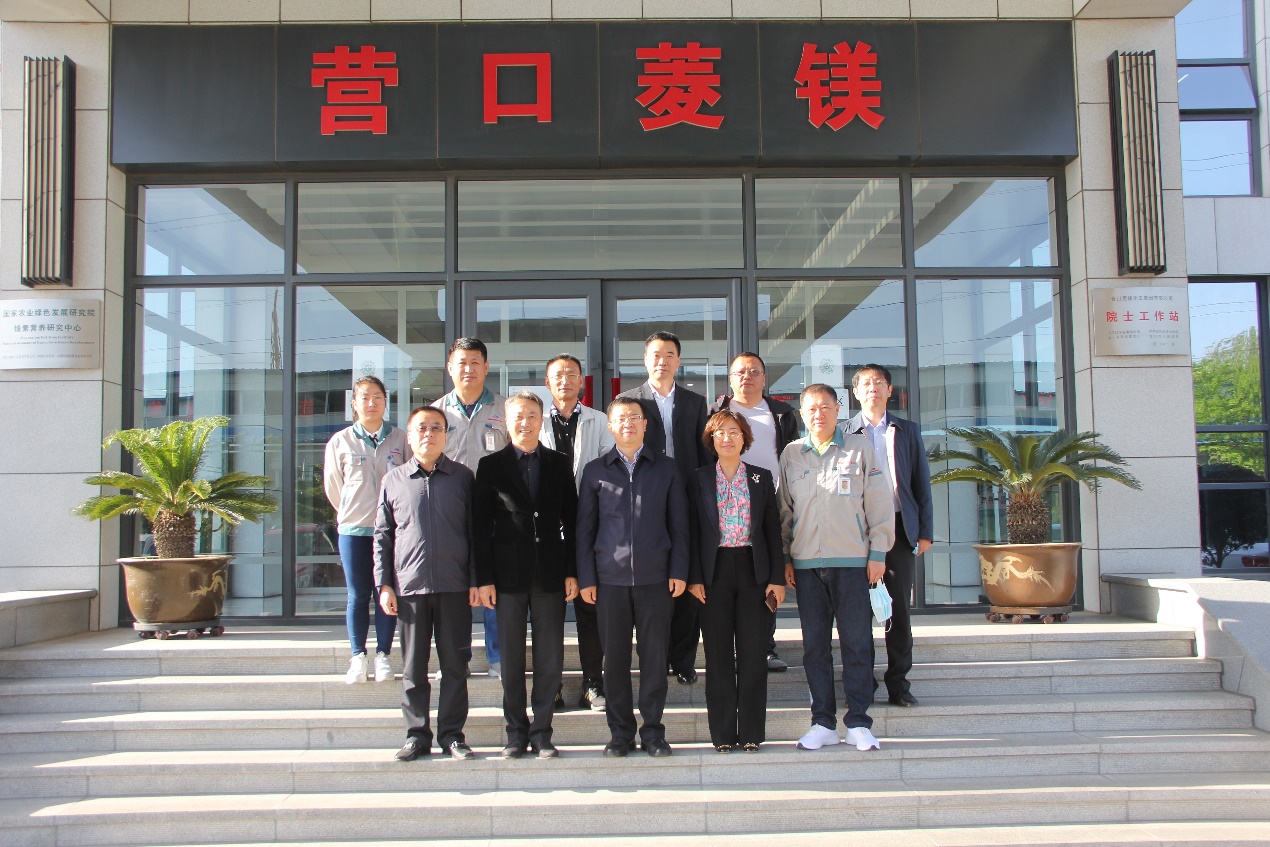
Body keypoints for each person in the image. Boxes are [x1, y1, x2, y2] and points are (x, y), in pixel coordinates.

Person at [779, 384, 894, 753]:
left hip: (853, 563)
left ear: (838, 409)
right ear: (802, 413)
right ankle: (823, 722)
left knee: (857, 644)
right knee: (814, 647)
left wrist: (878, 552)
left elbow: (879, 504)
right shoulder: (792, 453)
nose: (819, 414)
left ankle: (859, 722)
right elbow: (784, 511)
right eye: (812, 408)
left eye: (826, 407)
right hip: (807, 566)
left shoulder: (859, 448)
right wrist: (786, 558)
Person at [576, 397, 689, 758]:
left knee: (655, 660)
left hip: (656, 580)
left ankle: (653, 732)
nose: (628, 423)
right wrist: (587, 577)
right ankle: (620, 733)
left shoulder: (667, 469)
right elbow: (584, 530)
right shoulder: (595, 471)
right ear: (610, 426)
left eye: (634, 418)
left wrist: (679, 570)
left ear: (645, 424)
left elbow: (680, 526)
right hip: (609, 581)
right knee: (615, 662)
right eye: (620, 418)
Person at [474, 391, 578, 759]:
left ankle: (542, 732)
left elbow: (573, 521)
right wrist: (483, 579)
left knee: (550, 659)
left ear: (541, 419)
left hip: (550, 574)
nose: (525, 422)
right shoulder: (491, 466)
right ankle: (515, 733)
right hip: (507, 578)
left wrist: (572, 572)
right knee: (512, 660)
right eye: (518, 415)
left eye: (532, 415)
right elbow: (480, 528)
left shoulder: (558, 463)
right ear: (507, 421)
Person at [375, 406, 479, 762]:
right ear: (409, 436)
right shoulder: (393, 480)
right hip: (410, 587)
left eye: (436, 428)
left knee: (455, 667)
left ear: (445, 436)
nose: (429, 434)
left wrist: (476, 580)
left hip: (454, 586)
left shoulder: (463, 478)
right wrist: (384, 584)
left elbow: (476, 534)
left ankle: (452, 736)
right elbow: (382, 536)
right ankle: (417, 736)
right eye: (421, 428)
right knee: (413, 669)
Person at [686, 410, 785, 753]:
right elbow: (691, 532)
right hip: (712, 574)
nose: (727, 438)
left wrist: (776, 578)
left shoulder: (760, 477)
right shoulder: (698, 478)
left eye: (734, 432)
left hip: (753, 572)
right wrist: (694, 578)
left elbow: (772, 531)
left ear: (745, 438)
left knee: (753, 654)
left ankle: (752, 733)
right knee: (717, 656)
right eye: (720, 433)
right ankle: (723, 735)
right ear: (711, 440)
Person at [618, 331, 709, 685]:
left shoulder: (695, 402)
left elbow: (703, 453)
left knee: (687, 578)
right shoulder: (629, 400)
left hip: (686, 498)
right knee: (654, 584)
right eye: (656, 355)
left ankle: (683, 659)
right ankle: (654, 658)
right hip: (646, 499)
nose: (662, 361)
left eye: (669, 354)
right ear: (645, 360)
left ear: (678, 361)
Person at [844, 364, 933, 708]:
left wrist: (924, 531)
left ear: (890, 390)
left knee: (897, 611)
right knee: (857, 612)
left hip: (898, 528)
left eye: (879, 382)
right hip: (855, 530)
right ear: (855, 392)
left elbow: (921, 484)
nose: (873, 388)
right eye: (866, 383)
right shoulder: (843, 432)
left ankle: (899, 684)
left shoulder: (907, 430)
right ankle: (862, 683)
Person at [707, 352, 800, 673]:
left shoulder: (781, 413)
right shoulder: (716, 412)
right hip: (726, 504)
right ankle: (727, 649)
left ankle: (765, 648)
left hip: (770, 503)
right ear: (730, 379)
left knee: (766, 575)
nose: (747, 377)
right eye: (740, 372)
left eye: (754, 372)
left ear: (764, 378)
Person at [539, 353, 615, 711]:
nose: (565, 380)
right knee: (548, 613)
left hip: (588, 526)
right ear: (547, 382)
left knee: (589, 608)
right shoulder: (535, 421)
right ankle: (551, 685)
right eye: (558, 375)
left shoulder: (599, 421)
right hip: (546, 531)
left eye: (571, 374)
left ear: (582, 380)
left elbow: (608, 471)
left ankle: (592, 684)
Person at [432, 337, 508, 679]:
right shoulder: (436, 413)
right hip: (449, 512)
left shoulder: (504, 409)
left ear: (486, 367)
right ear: (450, 368)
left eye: (475, 362)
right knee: (454, 589)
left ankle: (498, 657)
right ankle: (456, 658)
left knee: (493, 584)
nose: (469, 369)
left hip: (495, 513)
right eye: (461, 362)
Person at [324, 375, 407, 685]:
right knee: (358, 594)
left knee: (386, 591)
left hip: (392, 532)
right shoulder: (340, 441)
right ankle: (358, 655)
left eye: (377, 397)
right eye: (365, 397)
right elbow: (334, 487)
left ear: (386, 402)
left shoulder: (400, 439)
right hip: (354, 531)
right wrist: (353, 511)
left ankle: (383, 655)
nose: (372, 403)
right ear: (354, 404)